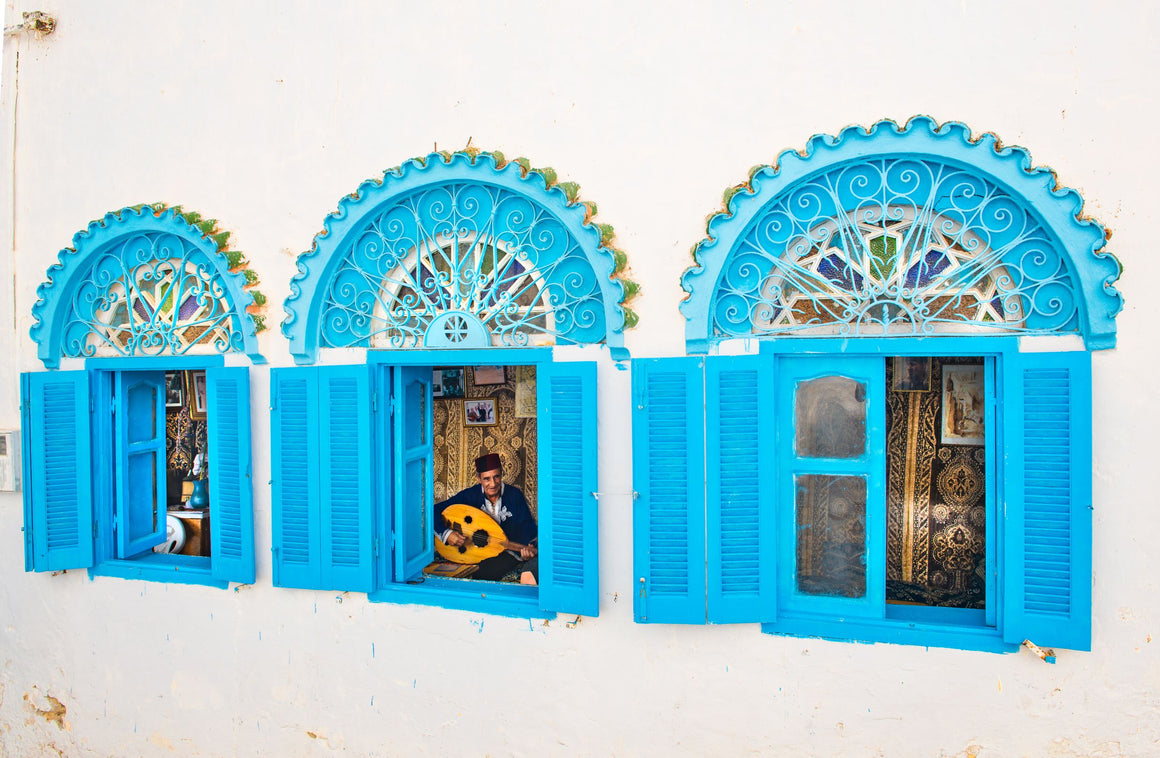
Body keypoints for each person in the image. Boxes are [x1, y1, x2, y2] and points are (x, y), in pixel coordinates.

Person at [434, 453, 538, 585]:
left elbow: (528, 528)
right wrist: (446, 533)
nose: (493, 484)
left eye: (496, 477)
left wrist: (528, 547)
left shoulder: (514, 495)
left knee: (485, 571)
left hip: (506, 552)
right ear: (478, 478)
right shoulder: (470, 495)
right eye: (487, 479)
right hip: (471, 551)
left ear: (501, 474)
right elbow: (434, 511)